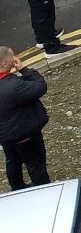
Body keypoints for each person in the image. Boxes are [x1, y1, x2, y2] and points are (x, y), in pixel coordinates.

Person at [0, 47, 50, 189]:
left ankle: (16, 187)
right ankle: (43, 189)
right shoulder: (14, 86)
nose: (15, 58)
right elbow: (40, 86)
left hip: (5, 136)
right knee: (36, 164)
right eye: (12, 56)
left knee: (12, 161)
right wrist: (23, 69)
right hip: (25, 134)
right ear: (4, 64)